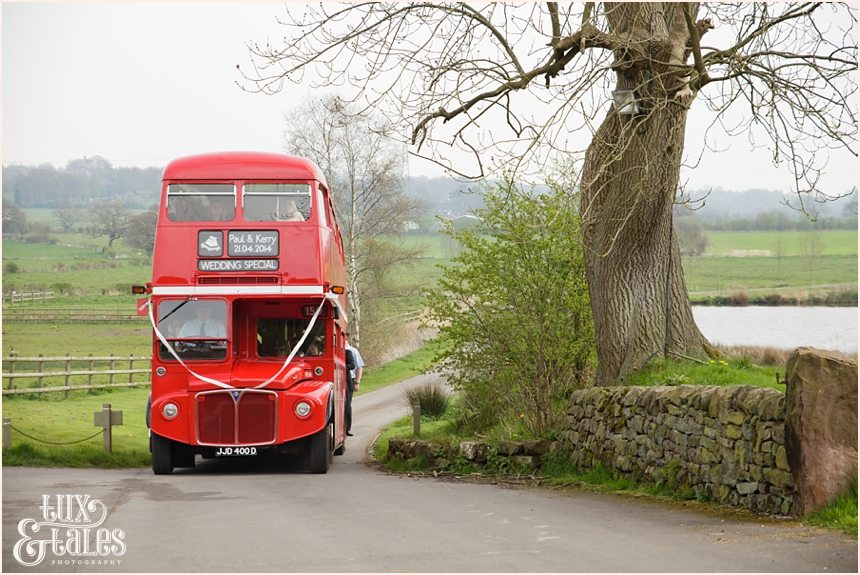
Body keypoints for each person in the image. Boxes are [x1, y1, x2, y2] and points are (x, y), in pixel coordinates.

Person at [344, 334, 364, 436]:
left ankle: (347, 428)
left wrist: (357, 382)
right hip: (339, 379)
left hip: (349, 379)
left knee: (347, 404)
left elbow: (359, 367)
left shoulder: (352, 351)